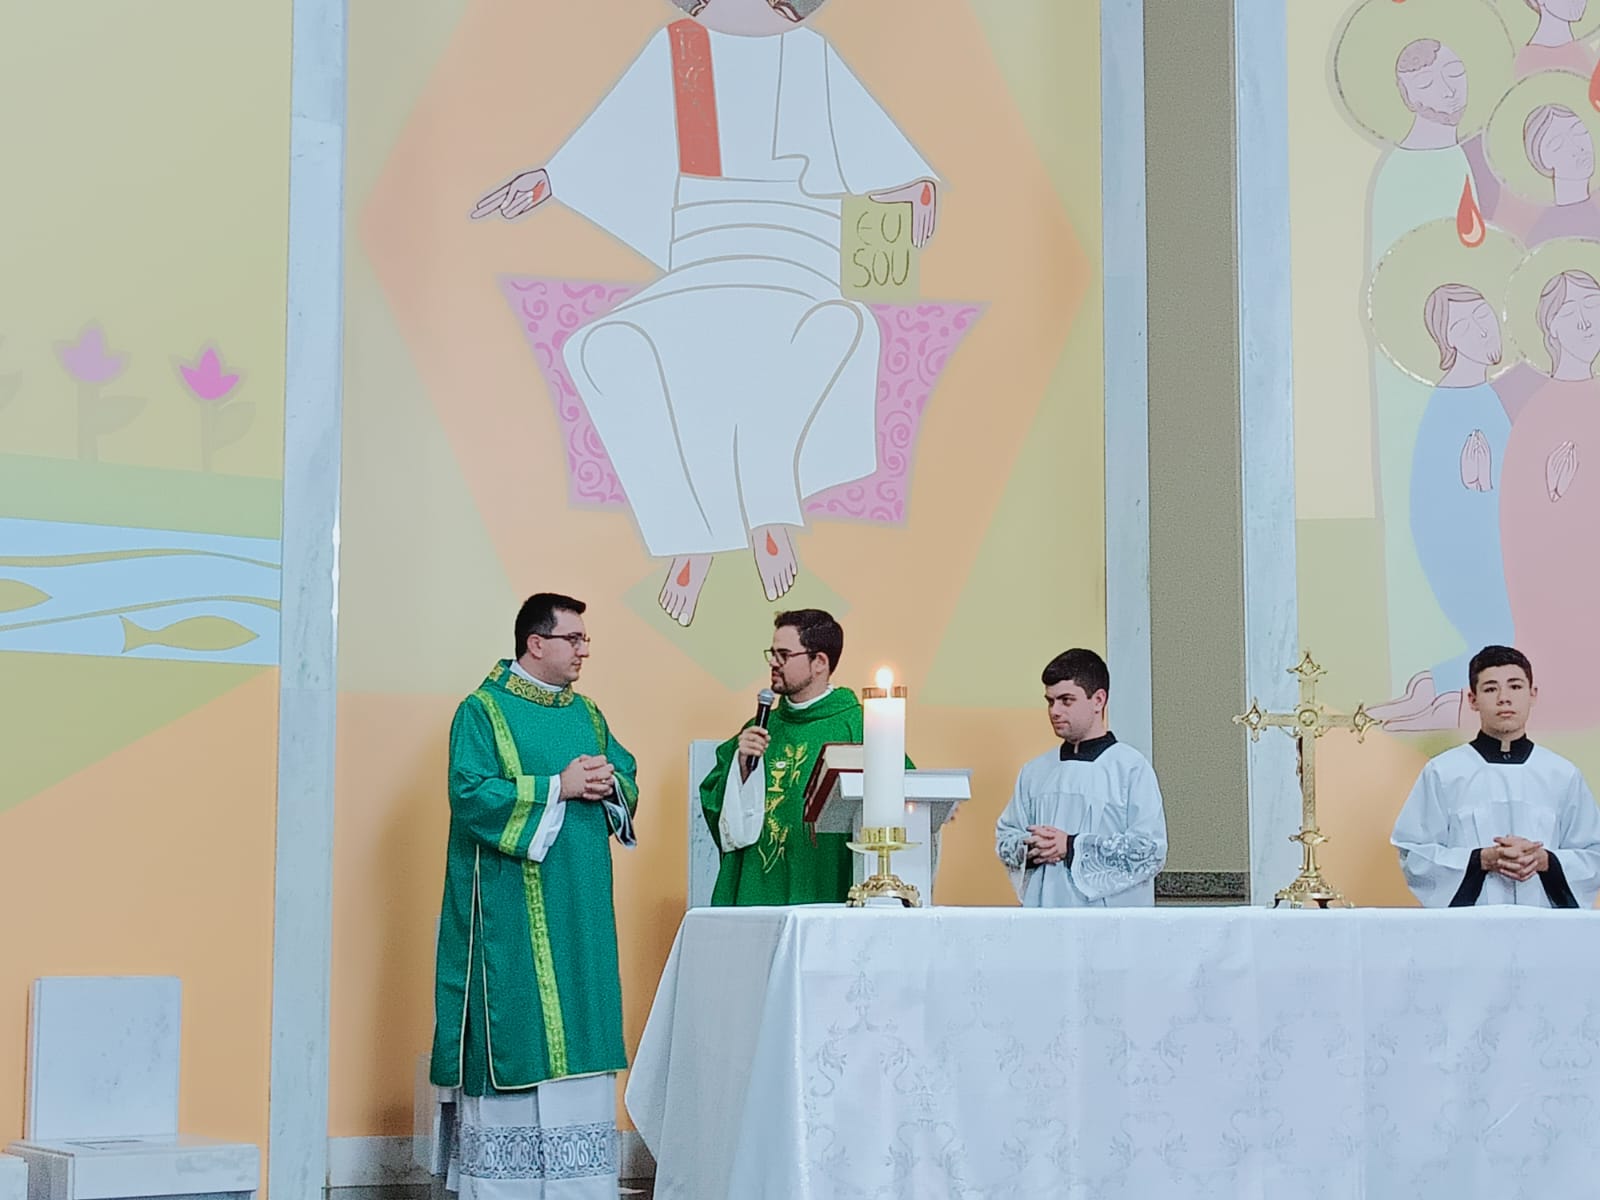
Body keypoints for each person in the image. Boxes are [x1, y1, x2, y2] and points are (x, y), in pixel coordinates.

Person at [471, 0, 938, 625]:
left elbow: (867, 153)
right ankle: (693, 531)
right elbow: (616, 137)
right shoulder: (681, 48)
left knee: (845, 327)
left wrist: (916, 185)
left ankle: (766, 498)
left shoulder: (809, 54)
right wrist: (552, 178)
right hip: (704, 256)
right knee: (599, 347)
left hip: (797, 259)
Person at [430, 593, 638, 1198]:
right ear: (536, 643)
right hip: (510, 909)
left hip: (582, 906)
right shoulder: (483, 711)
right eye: (574, 639)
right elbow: (470, 794)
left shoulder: (588, 714)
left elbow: (624, 772)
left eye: (585, 639)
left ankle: (583, 1184)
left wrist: (611, 783)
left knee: (583, 1017)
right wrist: (558, 787)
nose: (584, 650)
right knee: (519, 1024)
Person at [1391, 644, 1600, 908]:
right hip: (1469, 926)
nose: (1504, 698)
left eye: (1515, 686)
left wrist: (1545, 860)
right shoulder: (1443, 772)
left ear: (1532, 694)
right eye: (1491, 689)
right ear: (1473, 699)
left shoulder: (1562, 774)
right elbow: (1415, 854)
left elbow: (1593, 854)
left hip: (1544, 924)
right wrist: (1481, 860)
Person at [700, 608, 866, 904]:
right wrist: (740, 770)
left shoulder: (857, 727)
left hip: (822, 884)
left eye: (784, 655)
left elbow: (899, 796)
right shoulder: (758, 729)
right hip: (759, 889)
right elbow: (715, 801)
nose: (773, 663)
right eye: (772, 653)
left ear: (819, 662)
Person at [994, 649, 1168, 907]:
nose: (1054, 711)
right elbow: (1006, 837)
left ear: (1098, 700)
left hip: (1109, 920)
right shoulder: (1035, 772)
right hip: (1043, 913)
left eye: (1066, 700)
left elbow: (1149, 850)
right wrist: (1032, 847)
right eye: (1050, 701)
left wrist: (1072, 846)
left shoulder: (1130, 769)